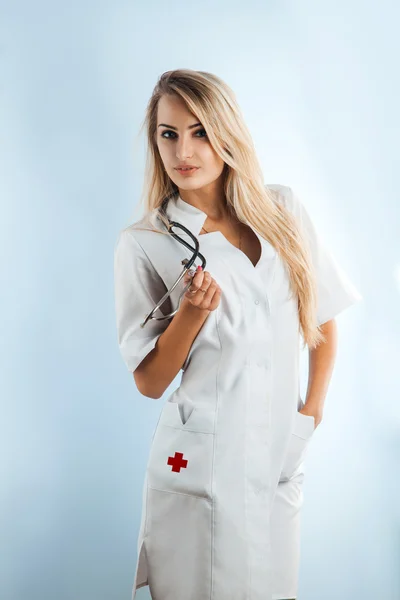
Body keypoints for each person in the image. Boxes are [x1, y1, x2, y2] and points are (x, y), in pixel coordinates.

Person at [113, 69, 363, 600]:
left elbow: (321, 318)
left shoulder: (283, 211)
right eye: (168, 133)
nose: (183, 150)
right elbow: (150, 381)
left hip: (278, 450)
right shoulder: (146, 242)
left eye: (200, 131)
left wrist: (311, 411)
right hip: (200, 460)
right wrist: (188, 317)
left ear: (227, 131)